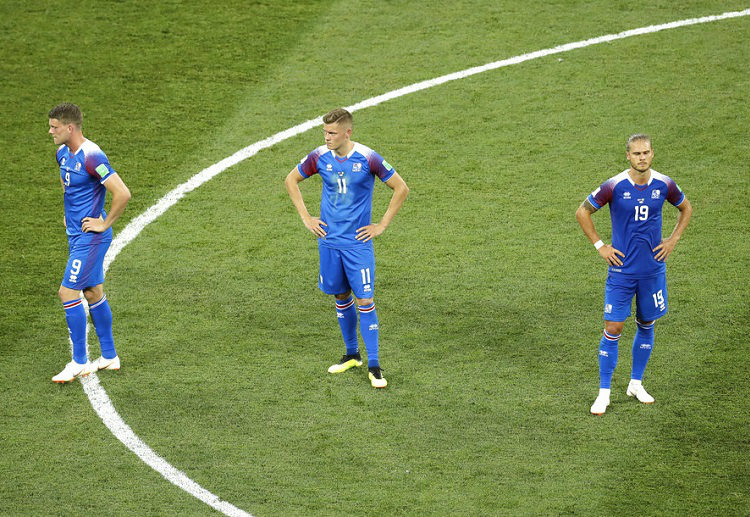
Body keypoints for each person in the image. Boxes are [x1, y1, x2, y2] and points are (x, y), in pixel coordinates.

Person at [285, 108, 409, 388]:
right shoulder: (319, 156)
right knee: (341, 296)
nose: (327, 137)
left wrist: (381, 225)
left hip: (357, 245)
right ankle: (352, 354)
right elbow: (290, 180)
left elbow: (401, 188)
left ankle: (375, 366)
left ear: (347, 133)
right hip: (329, 242)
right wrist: (306, 218)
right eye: (325, 132)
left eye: (332, 133)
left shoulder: (367, 158)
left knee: (365, 300)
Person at [576, 134, 692, 415]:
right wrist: (601, 246)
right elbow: (582, 212)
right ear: (628, 156)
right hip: (622, 271)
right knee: (614, 327)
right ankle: (604, 393)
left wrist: (672, 240)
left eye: (646, 152)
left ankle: (636, 384)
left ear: (652, 154)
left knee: (647, 323)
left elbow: (686, 208)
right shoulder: (614, 185)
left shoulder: (664, 184)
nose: (642, 157)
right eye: (637, 153)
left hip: (652, 270)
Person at [48, 103, 132, 383]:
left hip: (91, 237)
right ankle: (109, 356)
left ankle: (79, 362)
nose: (50, 132)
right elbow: (68, 185)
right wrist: (68, 213)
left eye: (55, 127)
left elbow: (122, 193)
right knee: (93, 292)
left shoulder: (92, 155)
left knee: (67, 292)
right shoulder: (62, 153)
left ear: (70, 127)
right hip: (76, 234)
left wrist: (103, 224)